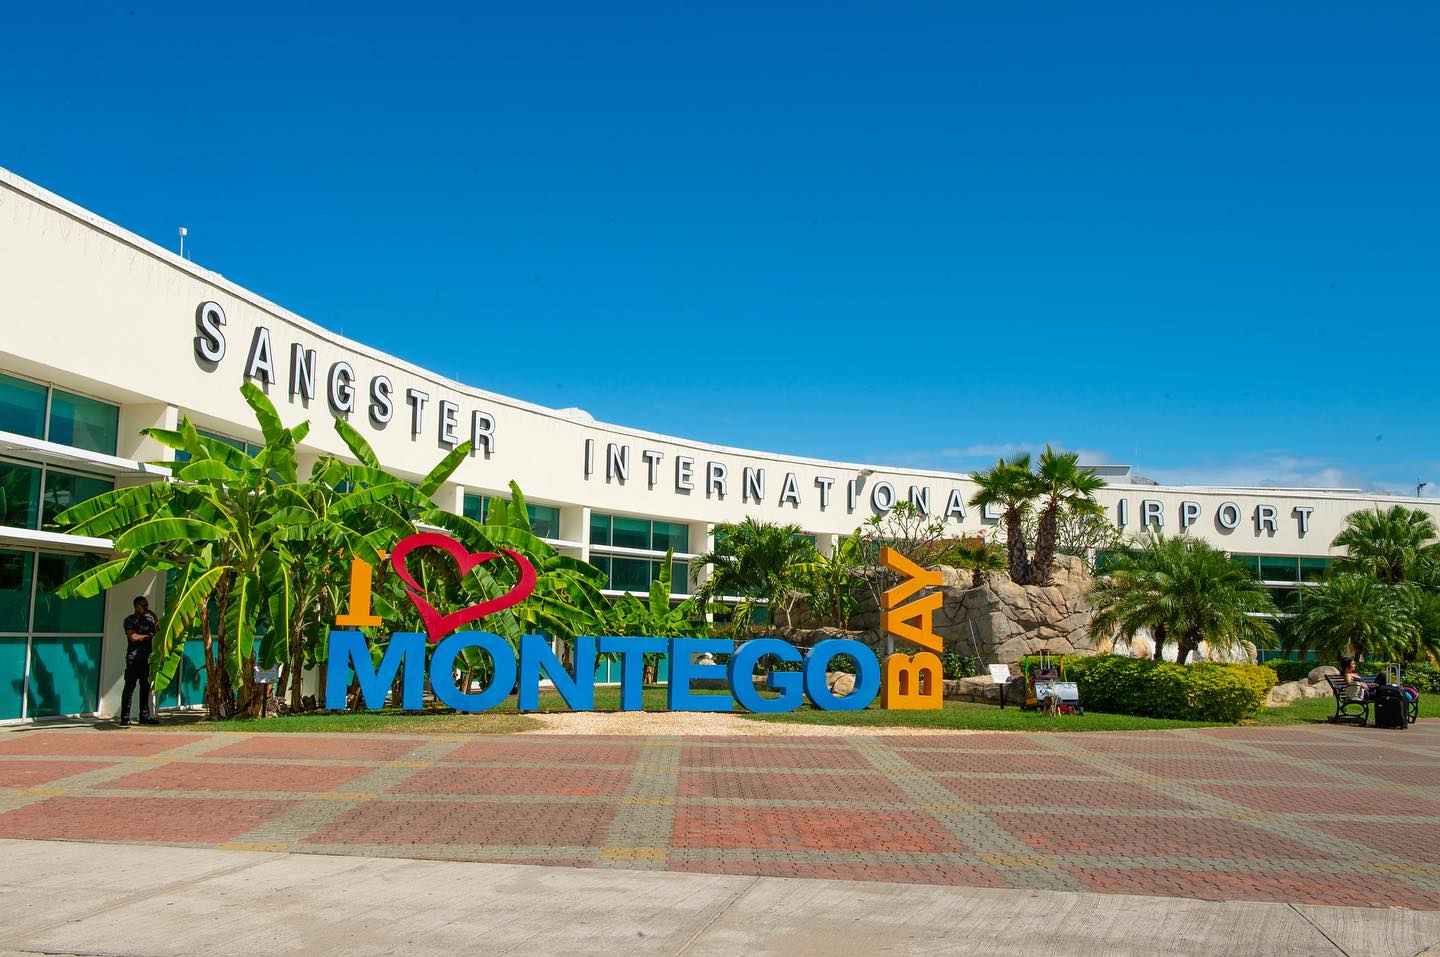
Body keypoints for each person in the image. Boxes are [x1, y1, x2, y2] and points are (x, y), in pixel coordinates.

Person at [119, 596, 160, 726]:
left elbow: (158, 633)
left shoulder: (149, 620)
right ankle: (125, 718)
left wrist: (154, 616)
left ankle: (144, 716)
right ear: (137, 607)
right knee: (129, 688)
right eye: (144, 605)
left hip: (147, 658)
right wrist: (149, 636)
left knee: (145, 688)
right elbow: (133, 637)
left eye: (147, 605)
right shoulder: (129, 620)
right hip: (134, 658)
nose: (146, 608)